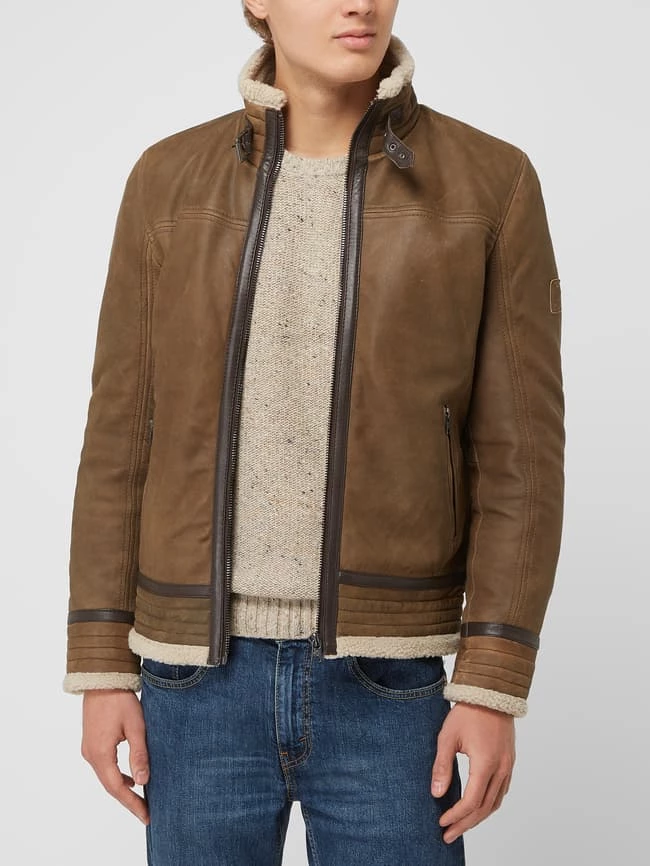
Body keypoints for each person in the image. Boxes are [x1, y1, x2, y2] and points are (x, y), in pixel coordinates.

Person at [62, 1, 565, 864]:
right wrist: (103, 663)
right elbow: (119, 436)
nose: (358, 3)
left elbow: (522, 459)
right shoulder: (167, 181)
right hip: (192, 678)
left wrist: (491, 681)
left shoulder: (492, 183)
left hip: (392, 680)